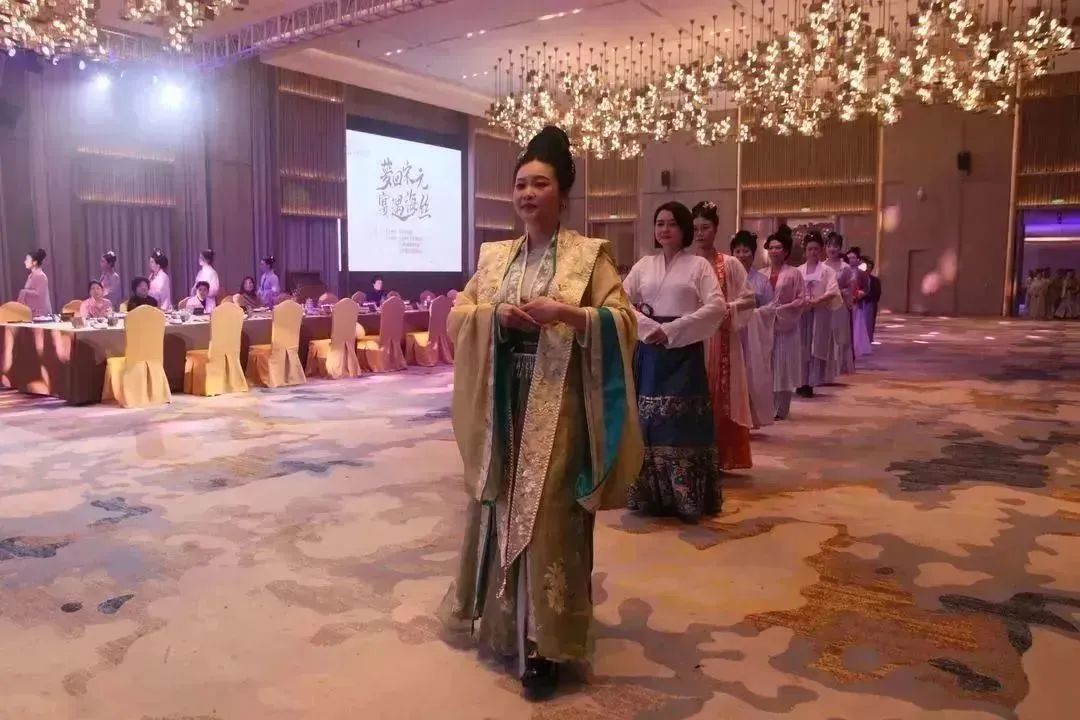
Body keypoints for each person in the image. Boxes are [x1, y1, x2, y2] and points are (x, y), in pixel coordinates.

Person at [438, 126, 643, 701]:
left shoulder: (589, 257)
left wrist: (568, 314)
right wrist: (496, 317)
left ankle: (546, 646)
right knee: (502, 507)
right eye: (521, 184)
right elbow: (459, 314)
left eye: (541, 184)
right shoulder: (496, 258)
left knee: (551, 517)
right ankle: (508, 625)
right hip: (505, 402)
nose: (528, 194)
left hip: (561, 409)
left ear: (563, 193)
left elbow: (624, 321)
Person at [624, 201, 727, 521]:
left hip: (684, 352)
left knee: (682, 422)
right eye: (659, 223)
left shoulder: (698, 266)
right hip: (650, 353)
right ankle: (650, 496)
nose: (664, 229)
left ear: (684, 229)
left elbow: (717, 306)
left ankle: (687, 498)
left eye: (671, 223)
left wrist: (671, 330)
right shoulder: (643, 265)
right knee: (650, 422)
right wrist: (647, 328)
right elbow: (619, 302)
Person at [691, 201, 754, 471]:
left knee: (721, 393)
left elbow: (749, 299)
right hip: (692, 337)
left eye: (705, 228)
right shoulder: (686, 264)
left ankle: (721, 456)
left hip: (721, 337)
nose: (700, 234)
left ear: (716, 229)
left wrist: (726, 309)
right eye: (695, 228)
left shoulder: (730, 264)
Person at [730, 230, 776, 429]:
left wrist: (753, 314)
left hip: (754, 336)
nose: (741, 255)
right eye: (737, 251)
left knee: (752, 374)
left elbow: (771, 308)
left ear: (753, 253)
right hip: (733, 332)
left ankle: (753, 418)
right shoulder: (727, 278)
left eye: (746, 250)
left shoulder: (761, 281)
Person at [765, 227, 805, 420]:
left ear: (786, 251)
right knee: (768, 366)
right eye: (771, 247)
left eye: (778, 247)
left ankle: (782, 408)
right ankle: (767, 406)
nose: (774, 251)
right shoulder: (761, 273)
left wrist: (782, 309)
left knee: (784, 365)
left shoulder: (794, 273)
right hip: (765, 326)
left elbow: (801, 299)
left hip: (786, 326)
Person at [798, 231, 840, 398]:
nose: (813, 252)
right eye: (810, 249)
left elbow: (833, 291)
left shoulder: (827, 271)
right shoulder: (798, 271)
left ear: (821, 250)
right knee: (801, 348)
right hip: (802, 314)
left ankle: (810, 383)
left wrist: (817, 301)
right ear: (805, 251)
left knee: (815, 348)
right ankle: (800, 382)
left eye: (816, 249)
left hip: (819, 313)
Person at [821, 232, 855, 380]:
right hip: (825, 305)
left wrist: (843, 294)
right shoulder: (821, 266)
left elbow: (850, 288)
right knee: (826, 335)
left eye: (835, 246)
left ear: (840, 248)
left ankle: (840, 367)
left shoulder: (845, 267)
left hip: (840, 305)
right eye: (829, 245)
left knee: (840, 335)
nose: (832, 249)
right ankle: (826, 368)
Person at [846, 246, 873, 357]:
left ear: (857, 260)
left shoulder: (862, 273)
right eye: (849, 258)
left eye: (853, 258)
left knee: (857, 326)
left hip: (857, 304)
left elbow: (866, 289)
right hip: (845, 303)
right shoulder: (844, 271)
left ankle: (857, 347)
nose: (851, 260)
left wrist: (859, 294)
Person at [18, 249, 52, 317]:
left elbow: (40, 296)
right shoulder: (31, 275)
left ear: (34, 262)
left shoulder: (40, 275)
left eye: (27, 260)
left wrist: (24, 292)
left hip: (40, 313)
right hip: (33, 312)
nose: (25, 262)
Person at [864, 257, 882, 341]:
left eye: (869, 267)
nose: (867, 269)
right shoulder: (858, 278)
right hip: (859, 304)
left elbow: (877, 294)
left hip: (869, 304)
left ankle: (868, 338)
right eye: (866, 267)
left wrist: (864, 296)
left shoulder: (875, 280)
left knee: (869, 323)